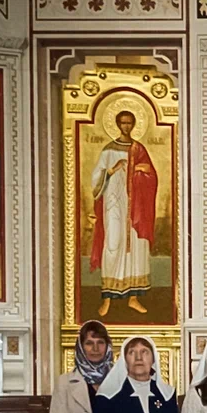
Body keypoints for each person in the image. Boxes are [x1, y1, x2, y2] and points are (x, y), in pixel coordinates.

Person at [89, 111, 157, 315]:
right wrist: (112, 170)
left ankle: (133, 298)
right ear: (117, 124)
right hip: (114, 204)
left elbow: (152, 176)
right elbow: (96, 181)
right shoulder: (108, 150)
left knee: (136, 248)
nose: (126, 126)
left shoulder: (139, 148)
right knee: (113, 244)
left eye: (129, 123)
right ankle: (107, 298)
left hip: (136, 208)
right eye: (122, 123)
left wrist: (142, 170)